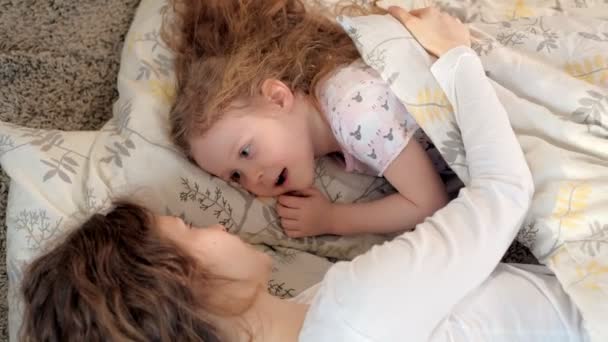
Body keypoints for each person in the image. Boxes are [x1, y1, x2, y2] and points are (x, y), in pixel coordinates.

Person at [21, 7, 589, 342]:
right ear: (184, 287)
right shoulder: (355, 306)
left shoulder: (317, 310)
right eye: (189, 231)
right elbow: (504, 193)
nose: (222, 223)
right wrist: (458, 58)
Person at [164, 0, 450, 238]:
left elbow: (430, 203)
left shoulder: (357, 115)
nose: (254, 178)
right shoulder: (331, 111)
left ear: (277, 97)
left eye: (246, 151)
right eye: (235, 176)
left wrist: (332, 219)